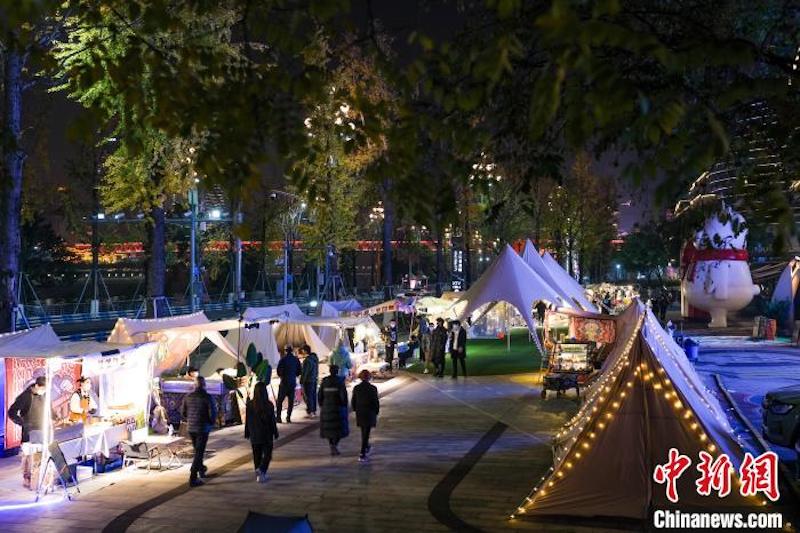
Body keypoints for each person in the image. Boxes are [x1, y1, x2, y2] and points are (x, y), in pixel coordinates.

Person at [7, 376, 47, 489]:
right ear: (37, 386)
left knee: (38, 455)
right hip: (29, 431)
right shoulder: (25, 396)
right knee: (28, 456)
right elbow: (12, 412)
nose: (43, 392)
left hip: (41, 429)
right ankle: (27, 478)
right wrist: (22, 423)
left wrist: (55, 417)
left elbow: (47, 408)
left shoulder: (43, 395)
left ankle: (37, 477)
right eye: (43, 389)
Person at [181, 376, 217, 487]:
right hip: (202, 428)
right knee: (199, 452)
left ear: (195, 385)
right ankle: (193, 477)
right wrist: (211, 422)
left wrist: (190, 420)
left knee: (197, 449)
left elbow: (183, 412)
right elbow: (213, 413)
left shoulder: (188, 397)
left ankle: (201, 469)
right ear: (204, 385)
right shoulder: (207, 397)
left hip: (191, 428)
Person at [245, 381, 279, 483]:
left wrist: (247, 432)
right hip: (266, 434)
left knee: (257, 454)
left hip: (254, 434)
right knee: (267, 454)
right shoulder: (269, 405)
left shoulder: (250, 404)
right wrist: (275, 432)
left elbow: (248, 420)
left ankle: (258, 474)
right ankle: (262, 470)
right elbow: (272, 420)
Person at [318, 364, 349, 456]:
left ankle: (332, 444)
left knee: (329, 429)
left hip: (327, 408)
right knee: (339, 429)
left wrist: (322, 405)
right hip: (337, 408)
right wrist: (344, 406)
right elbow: (343, 396)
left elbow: (320, 395)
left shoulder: (325, 381)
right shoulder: (340, 381)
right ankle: (334, 445)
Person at [351, 370, 380, 463]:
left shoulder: (356, 388)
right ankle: (363, 452)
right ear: (369, 377)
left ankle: (366, 447)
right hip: (370, 412)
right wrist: (376, 411)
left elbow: (353, 401)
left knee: (364, 431)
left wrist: (356, 409)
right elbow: (376, 401)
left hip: (360, 412)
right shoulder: (373, 388)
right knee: (366, 432)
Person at [276, 345, 302, 423]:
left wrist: (282, 376)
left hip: (284, 383)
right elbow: (299, 371)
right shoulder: (296, 360)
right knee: (291, 401)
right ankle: (288, 417)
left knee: (280, 401)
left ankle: (279, 418)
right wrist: (293, 375)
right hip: (292, 382)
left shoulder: (283, 360)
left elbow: (278, 371)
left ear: (285, 351)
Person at [300, 344, 319, 418]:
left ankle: (310, 411)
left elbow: (305, 372)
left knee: (309, 396)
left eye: (303, 351)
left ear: (305, 351)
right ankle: (313, 410)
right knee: (313, 395)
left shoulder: (307, 361)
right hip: (314, 379)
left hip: (308, 381)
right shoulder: (315, 358)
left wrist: (302, 380)